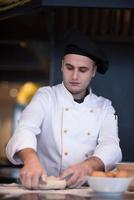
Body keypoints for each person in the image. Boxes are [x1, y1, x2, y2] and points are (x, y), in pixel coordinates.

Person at [6, 29, 122, 190]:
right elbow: (25, 128)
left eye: (82, 70)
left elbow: (111, 145)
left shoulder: (105, 107)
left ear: (93, 71)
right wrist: (31, 160)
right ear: (61, 66)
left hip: (85, 191)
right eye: (69, 67)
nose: (74, 76)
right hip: (42, 187)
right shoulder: (45, 96)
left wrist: (88, 166)